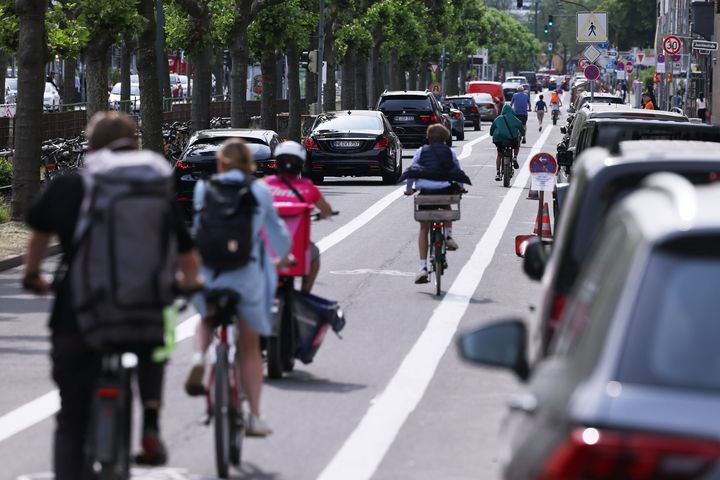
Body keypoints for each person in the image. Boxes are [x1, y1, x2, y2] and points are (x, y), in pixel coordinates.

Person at [22, 112, 202, 479]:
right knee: (155, 344)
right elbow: (185, 252)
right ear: (134, 143)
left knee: (72, 418)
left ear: (90, 146)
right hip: (144, 310)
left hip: (79, 314)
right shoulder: (153, 190)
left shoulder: (71, 186)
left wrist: (32, 277)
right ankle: (150, 424)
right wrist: (189, 283)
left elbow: (38, 238)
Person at [185, 138, 291, 437]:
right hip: (247, 276)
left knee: (206, 317)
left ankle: (198, 358)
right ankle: (255, 416)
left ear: (220, 163)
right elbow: (279, 236)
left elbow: (198, 228)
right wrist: (283, 258)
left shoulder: (204, 189)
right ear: (249, 165)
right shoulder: (259, 191)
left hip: (211, 272)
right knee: (249, 347)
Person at [401, 124, 470, 284]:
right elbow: (457, 171)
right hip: (444, 191)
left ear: (428, 137)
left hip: (426, 193)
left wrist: (409, 189)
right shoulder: (449, 152)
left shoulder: (421, 151)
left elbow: (412, 170)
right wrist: (461, 188)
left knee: (424, 227)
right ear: (445, 138)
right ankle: (448, 236)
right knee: (447, 204)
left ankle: (423, 267)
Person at [264, 140, 333, 293]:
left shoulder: (264, 184)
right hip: (296, 250)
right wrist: (322, 215)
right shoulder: (308, 187)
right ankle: (304, 293)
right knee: (314, 256)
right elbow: (326, 210)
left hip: (267, 248)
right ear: (300, 164)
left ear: (278, 163)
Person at [491, 104, 525, 182]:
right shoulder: (515, 119)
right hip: (512, 140)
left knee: (499, 154)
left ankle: (498, 172)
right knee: (517, 145)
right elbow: (521, 128)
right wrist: (523, 134)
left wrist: (492, 133)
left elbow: (492, 129)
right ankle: (515, 157)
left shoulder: (498, 119)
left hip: (499, 141)